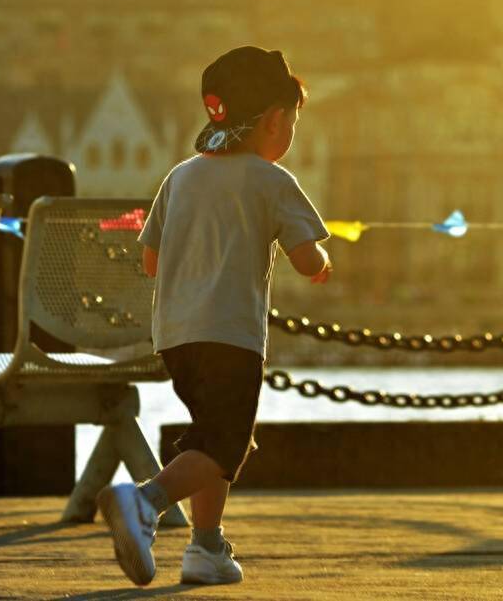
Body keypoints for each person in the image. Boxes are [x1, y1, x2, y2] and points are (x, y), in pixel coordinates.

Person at [96, 46, 332, 587]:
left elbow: (150, 260)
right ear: (275, 120)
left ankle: (206, 548)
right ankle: (145, 502)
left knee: (214, 438)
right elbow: (305, 257)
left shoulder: (180, 176)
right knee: (225, 443)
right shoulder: (274, 182)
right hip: (232, 334)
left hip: (176, 336)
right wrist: (321, 262)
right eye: (293, 121)